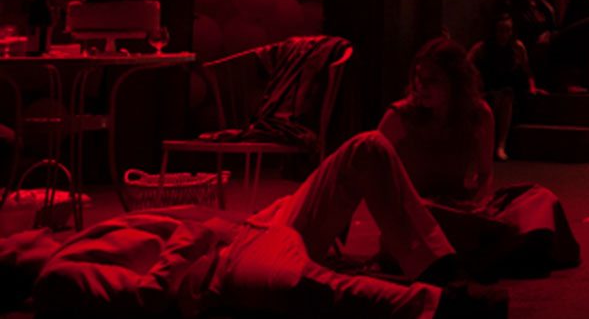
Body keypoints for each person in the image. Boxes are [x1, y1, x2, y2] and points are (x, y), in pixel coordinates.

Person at [13, 130, 506, 319]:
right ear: (11, 258)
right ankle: (443, 306)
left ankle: (438, 265)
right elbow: (147, 298)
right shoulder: (59, 275)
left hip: (255, 225)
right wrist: (194, 239)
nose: (20, 229)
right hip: (223, 264)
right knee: (302, 283)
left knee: (367, 149)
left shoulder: (75, 241)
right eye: (10, 238)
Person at [379, 37, 581, 279]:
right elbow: (370, 168)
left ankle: (483, 248)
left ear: (455, 82)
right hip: (420, 213)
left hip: (458, 209)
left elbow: (485, 174)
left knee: (538, 198)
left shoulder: (478, 115)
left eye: (432, 80)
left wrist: (474, 204)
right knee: (431, 217)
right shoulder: (400, 117)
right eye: (417, 78)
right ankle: (489, 252)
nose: (421, 87)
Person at [468, 12, 545, 161]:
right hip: (487, 93)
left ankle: (501, 145)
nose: (504, 34)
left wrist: (533, 87)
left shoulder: (517, 49)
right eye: (501, 30)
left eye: (508, 30)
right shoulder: (482, 49)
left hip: (510, 97)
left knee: (506, 97)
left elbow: (527, 72)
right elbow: (466, 67)